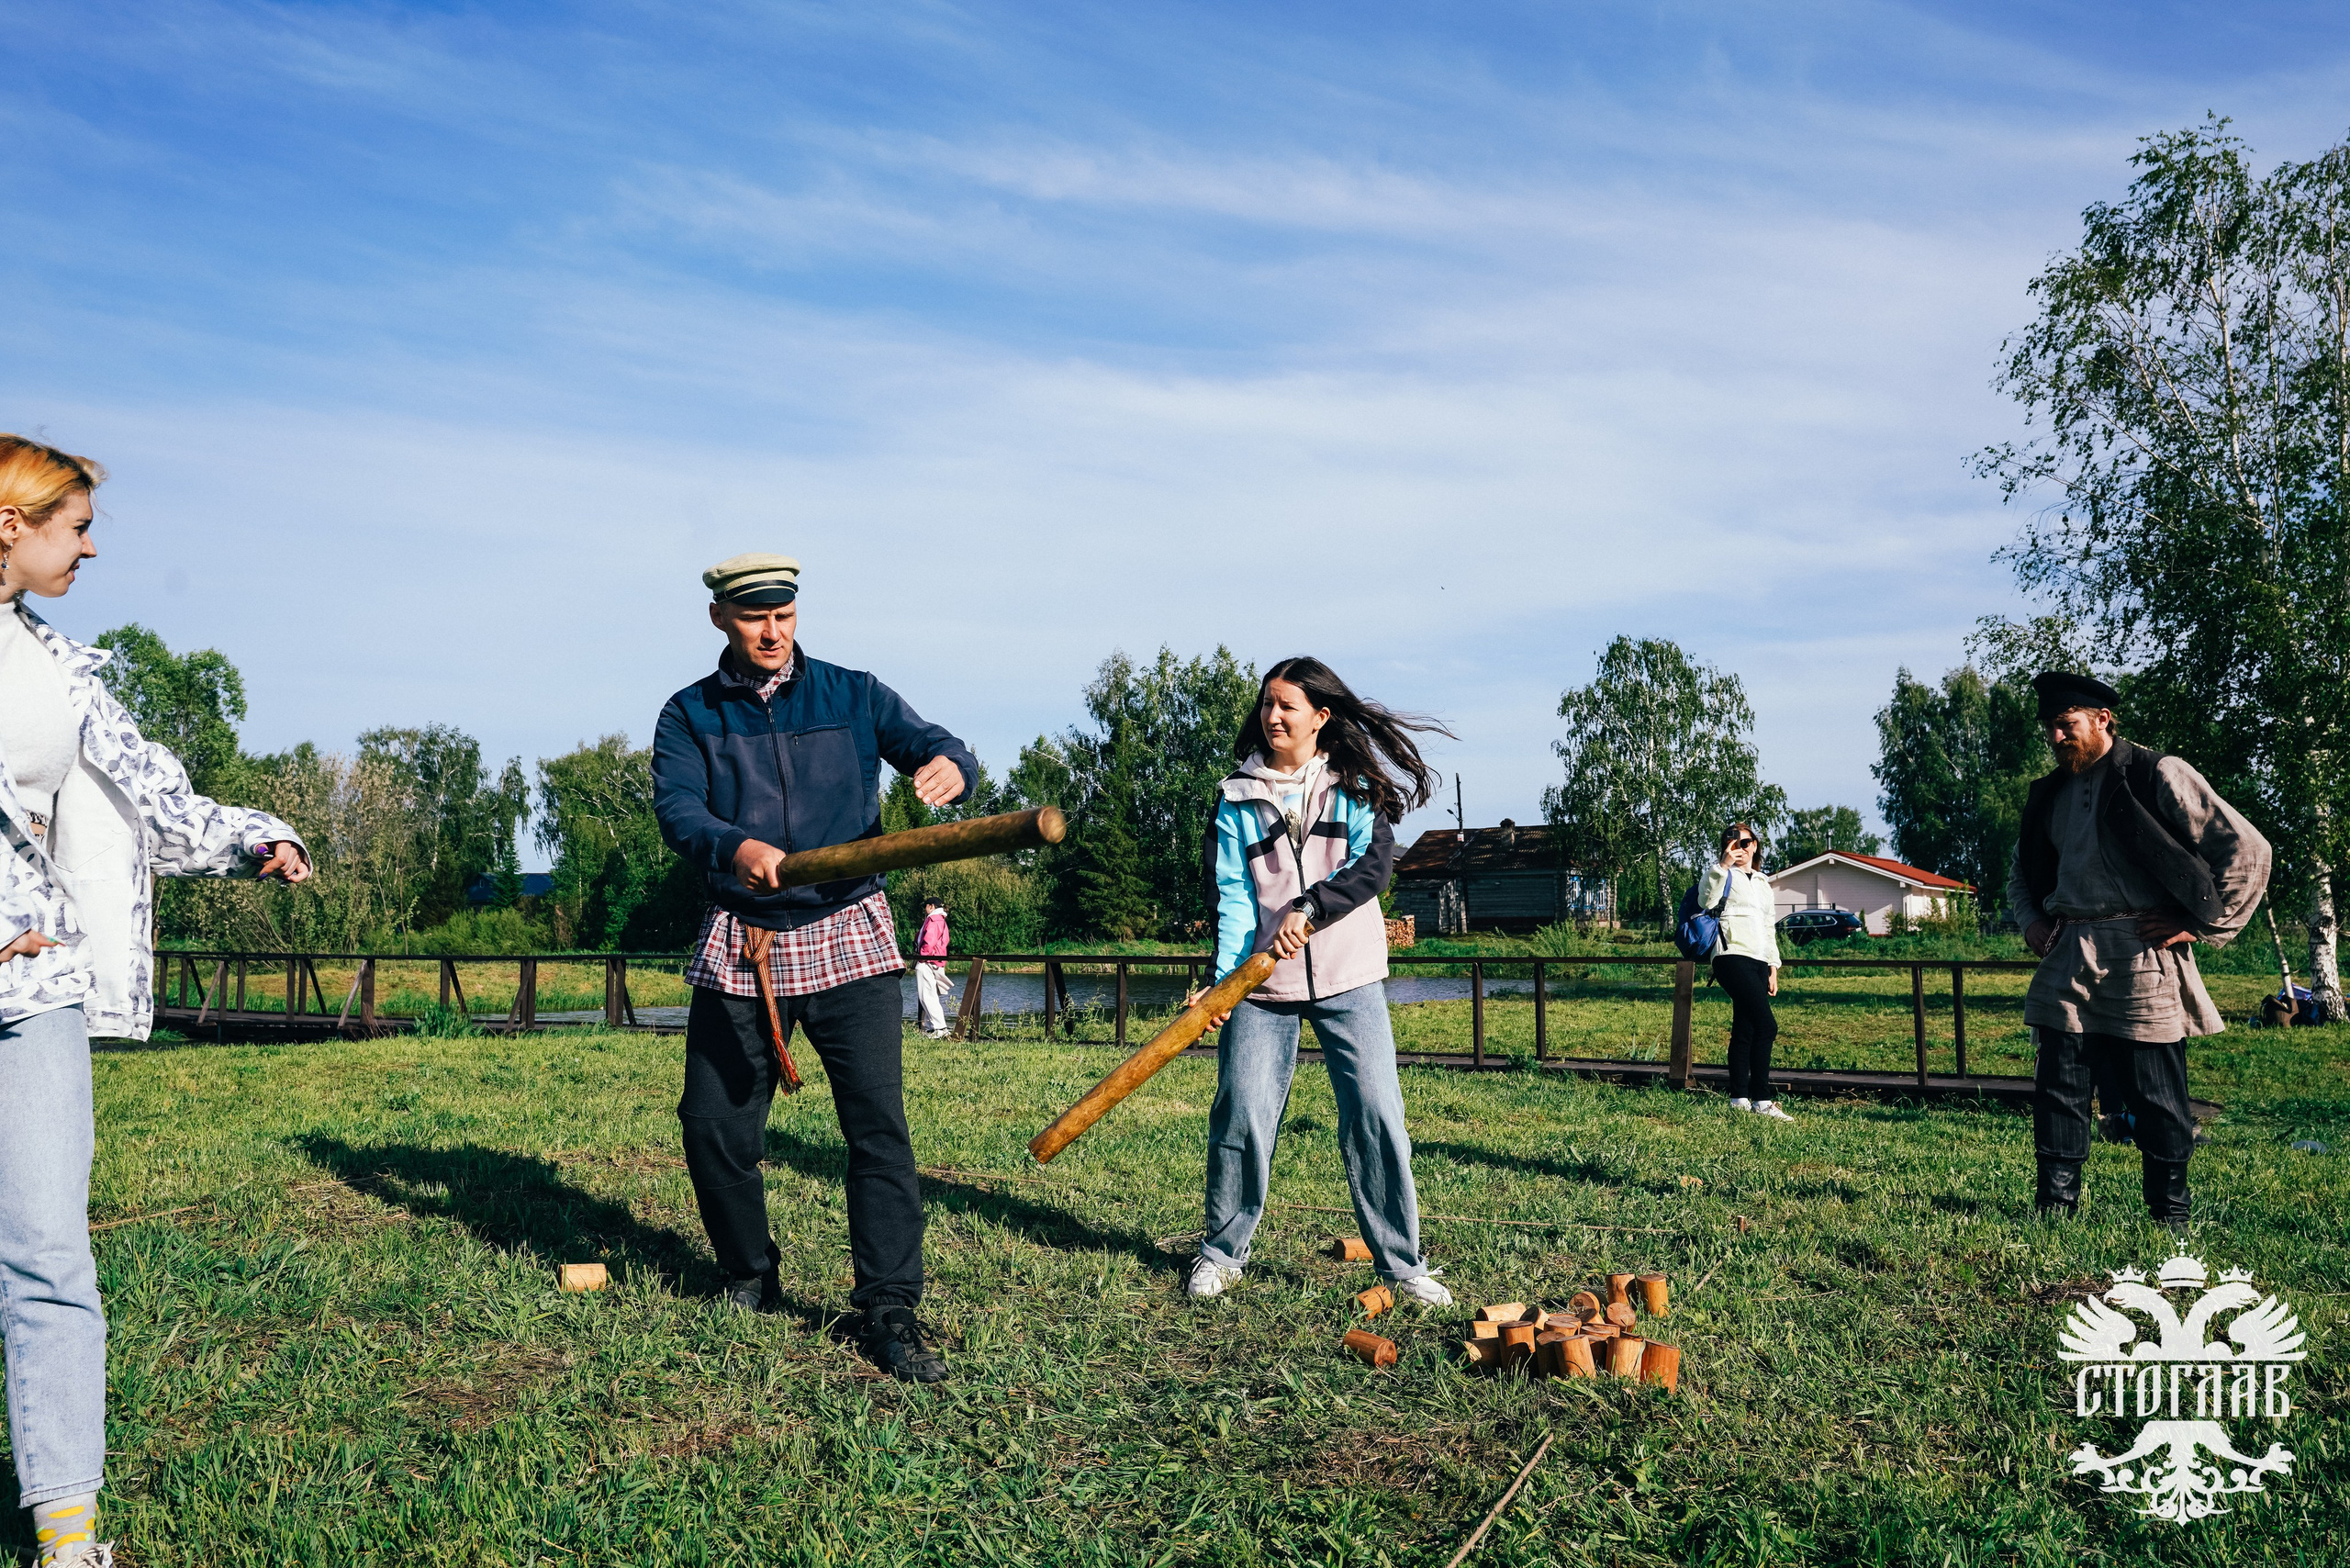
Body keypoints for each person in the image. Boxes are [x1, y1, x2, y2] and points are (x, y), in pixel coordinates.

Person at [0, 434, 309, 1568]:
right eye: (75, 526)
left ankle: (69, 1541)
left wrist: (258, 837)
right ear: (11, 524)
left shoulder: (57, 667)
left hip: (33, 989)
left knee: (46, 1254)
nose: (88, 547)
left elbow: (157, 798)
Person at [651, 552, 977, 1382]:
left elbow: (931, 742)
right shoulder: (689, 715)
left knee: (876, 1130)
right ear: (722, 618)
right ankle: (749, 1273)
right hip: (744, 935)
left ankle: (890, 1309)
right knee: (713, 1125)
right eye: (756, 616)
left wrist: (952, 763)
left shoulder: (852, 693)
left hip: (848, 927)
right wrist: (736, 845)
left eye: (785, 616)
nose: (773, 631)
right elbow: (679, 811)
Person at [1185, 656, 1454, 1306]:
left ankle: (1403, 1265)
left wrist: (1310, 908)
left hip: (1349, 975)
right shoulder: (1234, 797)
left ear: (1321, 716)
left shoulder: (1354, 786)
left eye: (1287, 706)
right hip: (1263, 986)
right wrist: (1223, 986)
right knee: (1241, 1111)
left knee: (1376, 1116)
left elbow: (1374, 868)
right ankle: (1221, 1254)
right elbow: (1233, 899)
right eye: (1267, 705)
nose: (1271, 716)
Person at [2006, 671, 2271, 1226]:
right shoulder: (2048, 791)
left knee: (2155, 1090)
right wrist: (2032, 921)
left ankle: (2169, 1215)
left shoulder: (2156, 773)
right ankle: (2055, 1210)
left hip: (2141, 948)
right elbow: (2021, 870)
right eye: (2049, 729)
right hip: (2068, 946)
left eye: (2066, 725)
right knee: (2059, 1085)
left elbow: (2248, 850)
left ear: (2103, 720)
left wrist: (2200, 923)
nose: (2055, 738)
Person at [1702, 822, 1788, 1120]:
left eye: (1746, 842)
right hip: (1729, 955)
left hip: (1758, 958)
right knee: (1767, 1026)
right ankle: (1762, 1101)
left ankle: (1739, 1099)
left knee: (1746, 1028)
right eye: (1734, 842)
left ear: (1755, 846)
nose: (1741, 847)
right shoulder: (1721, 873)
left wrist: (1773, 966)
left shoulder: (1763, 883)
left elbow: (1768, 926)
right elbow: (1706, 901)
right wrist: (1723, 865)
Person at [913, 895, 952, 1037]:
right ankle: (932, 1028)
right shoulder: (941, 920)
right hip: (934, 960)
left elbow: (929, 942)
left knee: (927, 996)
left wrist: (922, 957)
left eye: (926, 906)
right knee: (929, 995)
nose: (925, 909)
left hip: (927, 961)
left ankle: (940, 1028)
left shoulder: (934, 920)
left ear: (931, 906)